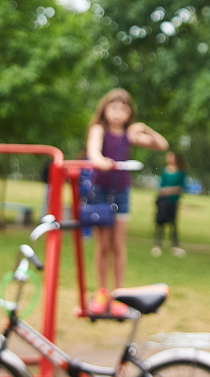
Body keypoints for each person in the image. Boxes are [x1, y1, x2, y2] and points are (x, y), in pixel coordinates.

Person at [85, 88, 168, 317]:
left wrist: (144, 128)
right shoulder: (99, 129)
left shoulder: (129, 134)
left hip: (121, 193)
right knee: (103, 245)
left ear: (129, 112)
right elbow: (93, 151)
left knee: (118, 245)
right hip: (100, 192)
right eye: (113, 108)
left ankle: (118, 294)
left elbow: (162, 145)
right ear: (105, 109)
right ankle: (102, 292)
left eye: (123, 108)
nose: (118, 113)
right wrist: (101, 161)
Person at [152, 150, 187, 257]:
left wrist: (170, 190)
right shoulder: (164, 171)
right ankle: (157, 244)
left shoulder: (181, 172)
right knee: (160, 222)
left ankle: (175, 245)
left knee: (173, 223)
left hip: (173, 201)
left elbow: (181, 187)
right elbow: (161, 185)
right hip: (163, 201)